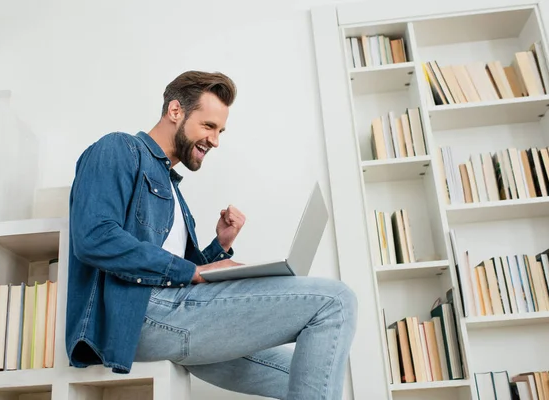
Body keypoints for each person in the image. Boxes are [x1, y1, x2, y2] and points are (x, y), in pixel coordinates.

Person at [66, 70, 358, 400]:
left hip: (175, 314)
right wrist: (195, 270)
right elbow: (94, 237)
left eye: (220, 131)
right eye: (208, 126)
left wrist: (221, 246)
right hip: (141, 314)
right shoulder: (119, 148)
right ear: (175, 111)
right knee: (336, 300)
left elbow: (188, 276)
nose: (216, 140)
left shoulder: (174, 192)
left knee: (315, 372)